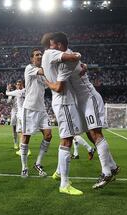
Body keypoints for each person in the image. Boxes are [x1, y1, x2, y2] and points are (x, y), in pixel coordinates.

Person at [48, 32, 120, 189]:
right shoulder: (70, 54)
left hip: (89, 98)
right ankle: (113, 167)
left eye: (52, 45)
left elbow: (71, 64)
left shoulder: (67, 57)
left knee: (96, 134)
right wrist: (83, 64)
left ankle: (106, 172)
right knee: (89, 134)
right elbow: (79, 63)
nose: (50, 48)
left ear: (59, 45)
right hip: (80, 102)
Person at [42, 32, 84, 195]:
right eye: (51, 44)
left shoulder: (52, 56)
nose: (51, 46)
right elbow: (59, 86)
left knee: (69, 137)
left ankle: (59, 173)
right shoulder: (52, 53)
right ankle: (64, 184)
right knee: (66, 139)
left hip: (64, 101)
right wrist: (78, 56)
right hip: (64, 102)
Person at [19, 48, 53, 178]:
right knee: (26, 137)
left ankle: (38, 163)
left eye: (41, 54)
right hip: (30, 108)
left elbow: (50, 83)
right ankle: (24, 167)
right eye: (37, 55)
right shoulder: (30, 68)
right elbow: (44, 70)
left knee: (48, 135)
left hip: (41, 109)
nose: (40, 56)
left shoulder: (43, 74)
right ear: (32, 58)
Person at [6, 83, 20, 149]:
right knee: (14, 127)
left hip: (20, 111)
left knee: (21, 128)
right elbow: (8, 102)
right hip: (14, 111)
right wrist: (11, 96)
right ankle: (15, 143)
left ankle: (21, 143)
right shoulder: (11, 94)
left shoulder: (20, 92)